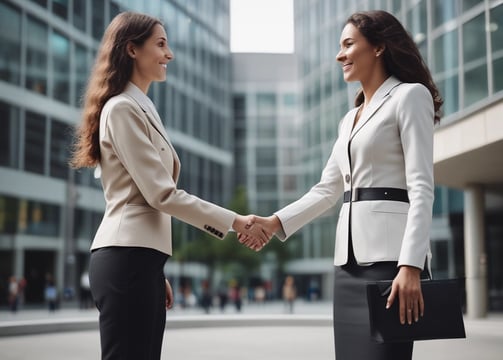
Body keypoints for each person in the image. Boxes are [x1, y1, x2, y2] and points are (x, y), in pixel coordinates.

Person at [241, 10, 442, 360]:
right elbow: (327, 190)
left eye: (349, 44)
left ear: (378, 47)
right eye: (339, 46)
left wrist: (411, 265)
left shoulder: (410, 96)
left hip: (390, 266)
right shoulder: (350, 117)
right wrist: (274, 223)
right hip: (347, 269)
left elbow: (422, 186)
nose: (339, 55)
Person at [70, 12, 268, 360]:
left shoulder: (141, 108)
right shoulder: (122, 109)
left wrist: (153, 269)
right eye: (161, 44)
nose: (170, 54)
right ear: (132, 49)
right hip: (126, 259)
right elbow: (161, 194)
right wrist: (235, 222)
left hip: (138, 260)